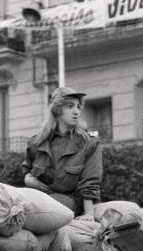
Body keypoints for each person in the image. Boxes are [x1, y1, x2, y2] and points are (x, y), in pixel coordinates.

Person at [23, 87, 102, 219]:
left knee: (44, 206)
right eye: (70, 106)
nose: (76, 111)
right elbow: (27, 169)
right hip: (40, 197)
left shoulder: (89, 142)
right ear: (57, 110)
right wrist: (28, 179)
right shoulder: (37, 142)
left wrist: (89, 214)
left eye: (78, 106)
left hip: (71, 200)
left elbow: (90, 180)